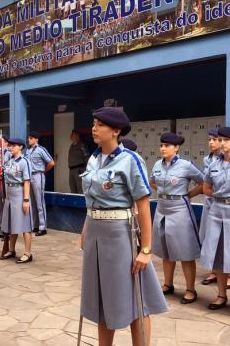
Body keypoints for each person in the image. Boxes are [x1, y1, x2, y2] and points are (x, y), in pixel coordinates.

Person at [80, 107, 167, 346]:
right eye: (94, 123)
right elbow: (92, 200)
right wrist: (85, 229)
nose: (94, 128)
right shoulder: (93, 158)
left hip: (120, 234)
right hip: (94, 232)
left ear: (116, 130)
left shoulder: (130, 159)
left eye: (100, 125)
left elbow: (143, 204)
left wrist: (146, 249)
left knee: (133, 300)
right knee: (100, 299)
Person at [150, 132, 203, 304]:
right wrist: (162, 191)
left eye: (167, 145)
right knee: (166, 249)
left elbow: (203, 182)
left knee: (185, 251)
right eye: (161, 145)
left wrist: (188, 194)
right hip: (162, 208)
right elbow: (152, 181)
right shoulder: (158, 164)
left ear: (176, 147)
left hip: (180, 209)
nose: (163, 148)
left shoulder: (186, 165)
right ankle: (168, 284)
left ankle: (190, 289)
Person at [200, 126, 230, 310]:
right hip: (217, 211)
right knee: (218, 255)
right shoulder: (214, 164)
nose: (221, 143)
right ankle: (221, 295)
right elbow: (206, 188)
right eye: (220, 140)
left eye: (225, 140)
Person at [0, 138, 33, 264]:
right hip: (10, 194)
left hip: (20, 194)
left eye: (13, 146)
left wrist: (26, 200)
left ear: (20, 147)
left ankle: (27, 253)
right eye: (10, 145)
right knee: (11, 223)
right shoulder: (9, 161)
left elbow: (27, 182)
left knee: (25, 225)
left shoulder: (25, 162)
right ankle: (11, 249)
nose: (11, 147)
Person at [200, 129, 222, 286]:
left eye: (214, 139)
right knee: (211, 237)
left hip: (223, 203)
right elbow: (205, 183)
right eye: (209, 139)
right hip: (209, 202)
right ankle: (215, 271)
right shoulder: (207, 160)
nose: (211, 142)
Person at [26, 131, 54, 236]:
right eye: (29, 138)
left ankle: (43, 227)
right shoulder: (28, 151)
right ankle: (35, 225)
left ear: (36, 139)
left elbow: (51, 162)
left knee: (39, 201)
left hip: (38, 175)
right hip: (29, 176)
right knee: (32, 202)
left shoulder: (41, 149)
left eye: (31, 138)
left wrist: (43, 171)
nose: (29, 140)